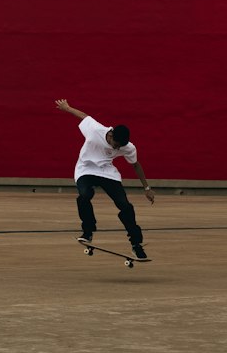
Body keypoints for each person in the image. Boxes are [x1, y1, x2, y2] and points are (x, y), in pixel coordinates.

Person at [56, 98, 154, 260]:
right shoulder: (95, 130)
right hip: (86, 168)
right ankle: (88, 232)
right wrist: (67, 108)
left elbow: (136, 165)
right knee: (84, 196)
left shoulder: (127, 147)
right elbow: (84, 116)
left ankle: (136, 245)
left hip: (107, 172)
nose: (117, 148)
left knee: (125, 205)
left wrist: (147, 188)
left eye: (120, 147)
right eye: (115, 144)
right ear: (111, 135)